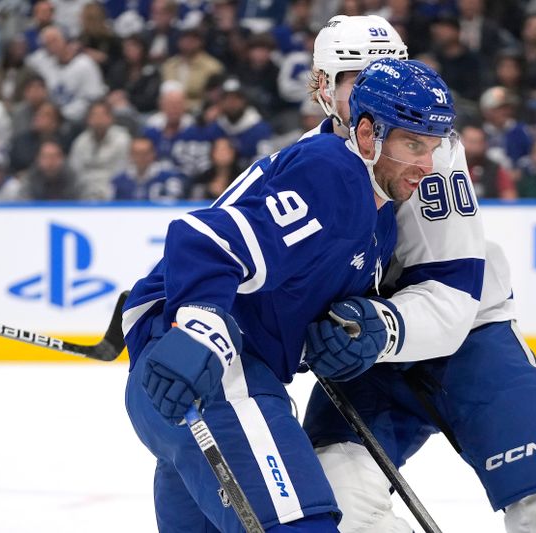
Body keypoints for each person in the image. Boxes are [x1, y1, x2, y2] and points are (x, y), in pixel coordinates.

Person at [121, 57, 457, 532]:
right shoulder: (336, 173)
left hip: (196, 392)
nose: (426, 165)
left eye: (433, 148)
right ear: (366, 134)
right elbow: (205, 238)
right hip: (214, 377)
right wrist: (195, 323)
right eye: (412, 144)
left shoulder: (380, 216)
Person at [300, 15, 536, 533]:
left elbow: (452, 298)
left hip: (469, 345)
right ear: (323, 87)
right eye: (356, 78)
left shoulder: (431, 152)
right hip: (368, 360)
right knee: (337, 505)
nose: (375, 87)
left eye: (386, 70)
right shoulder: (305, 160)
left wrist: (377, 326)